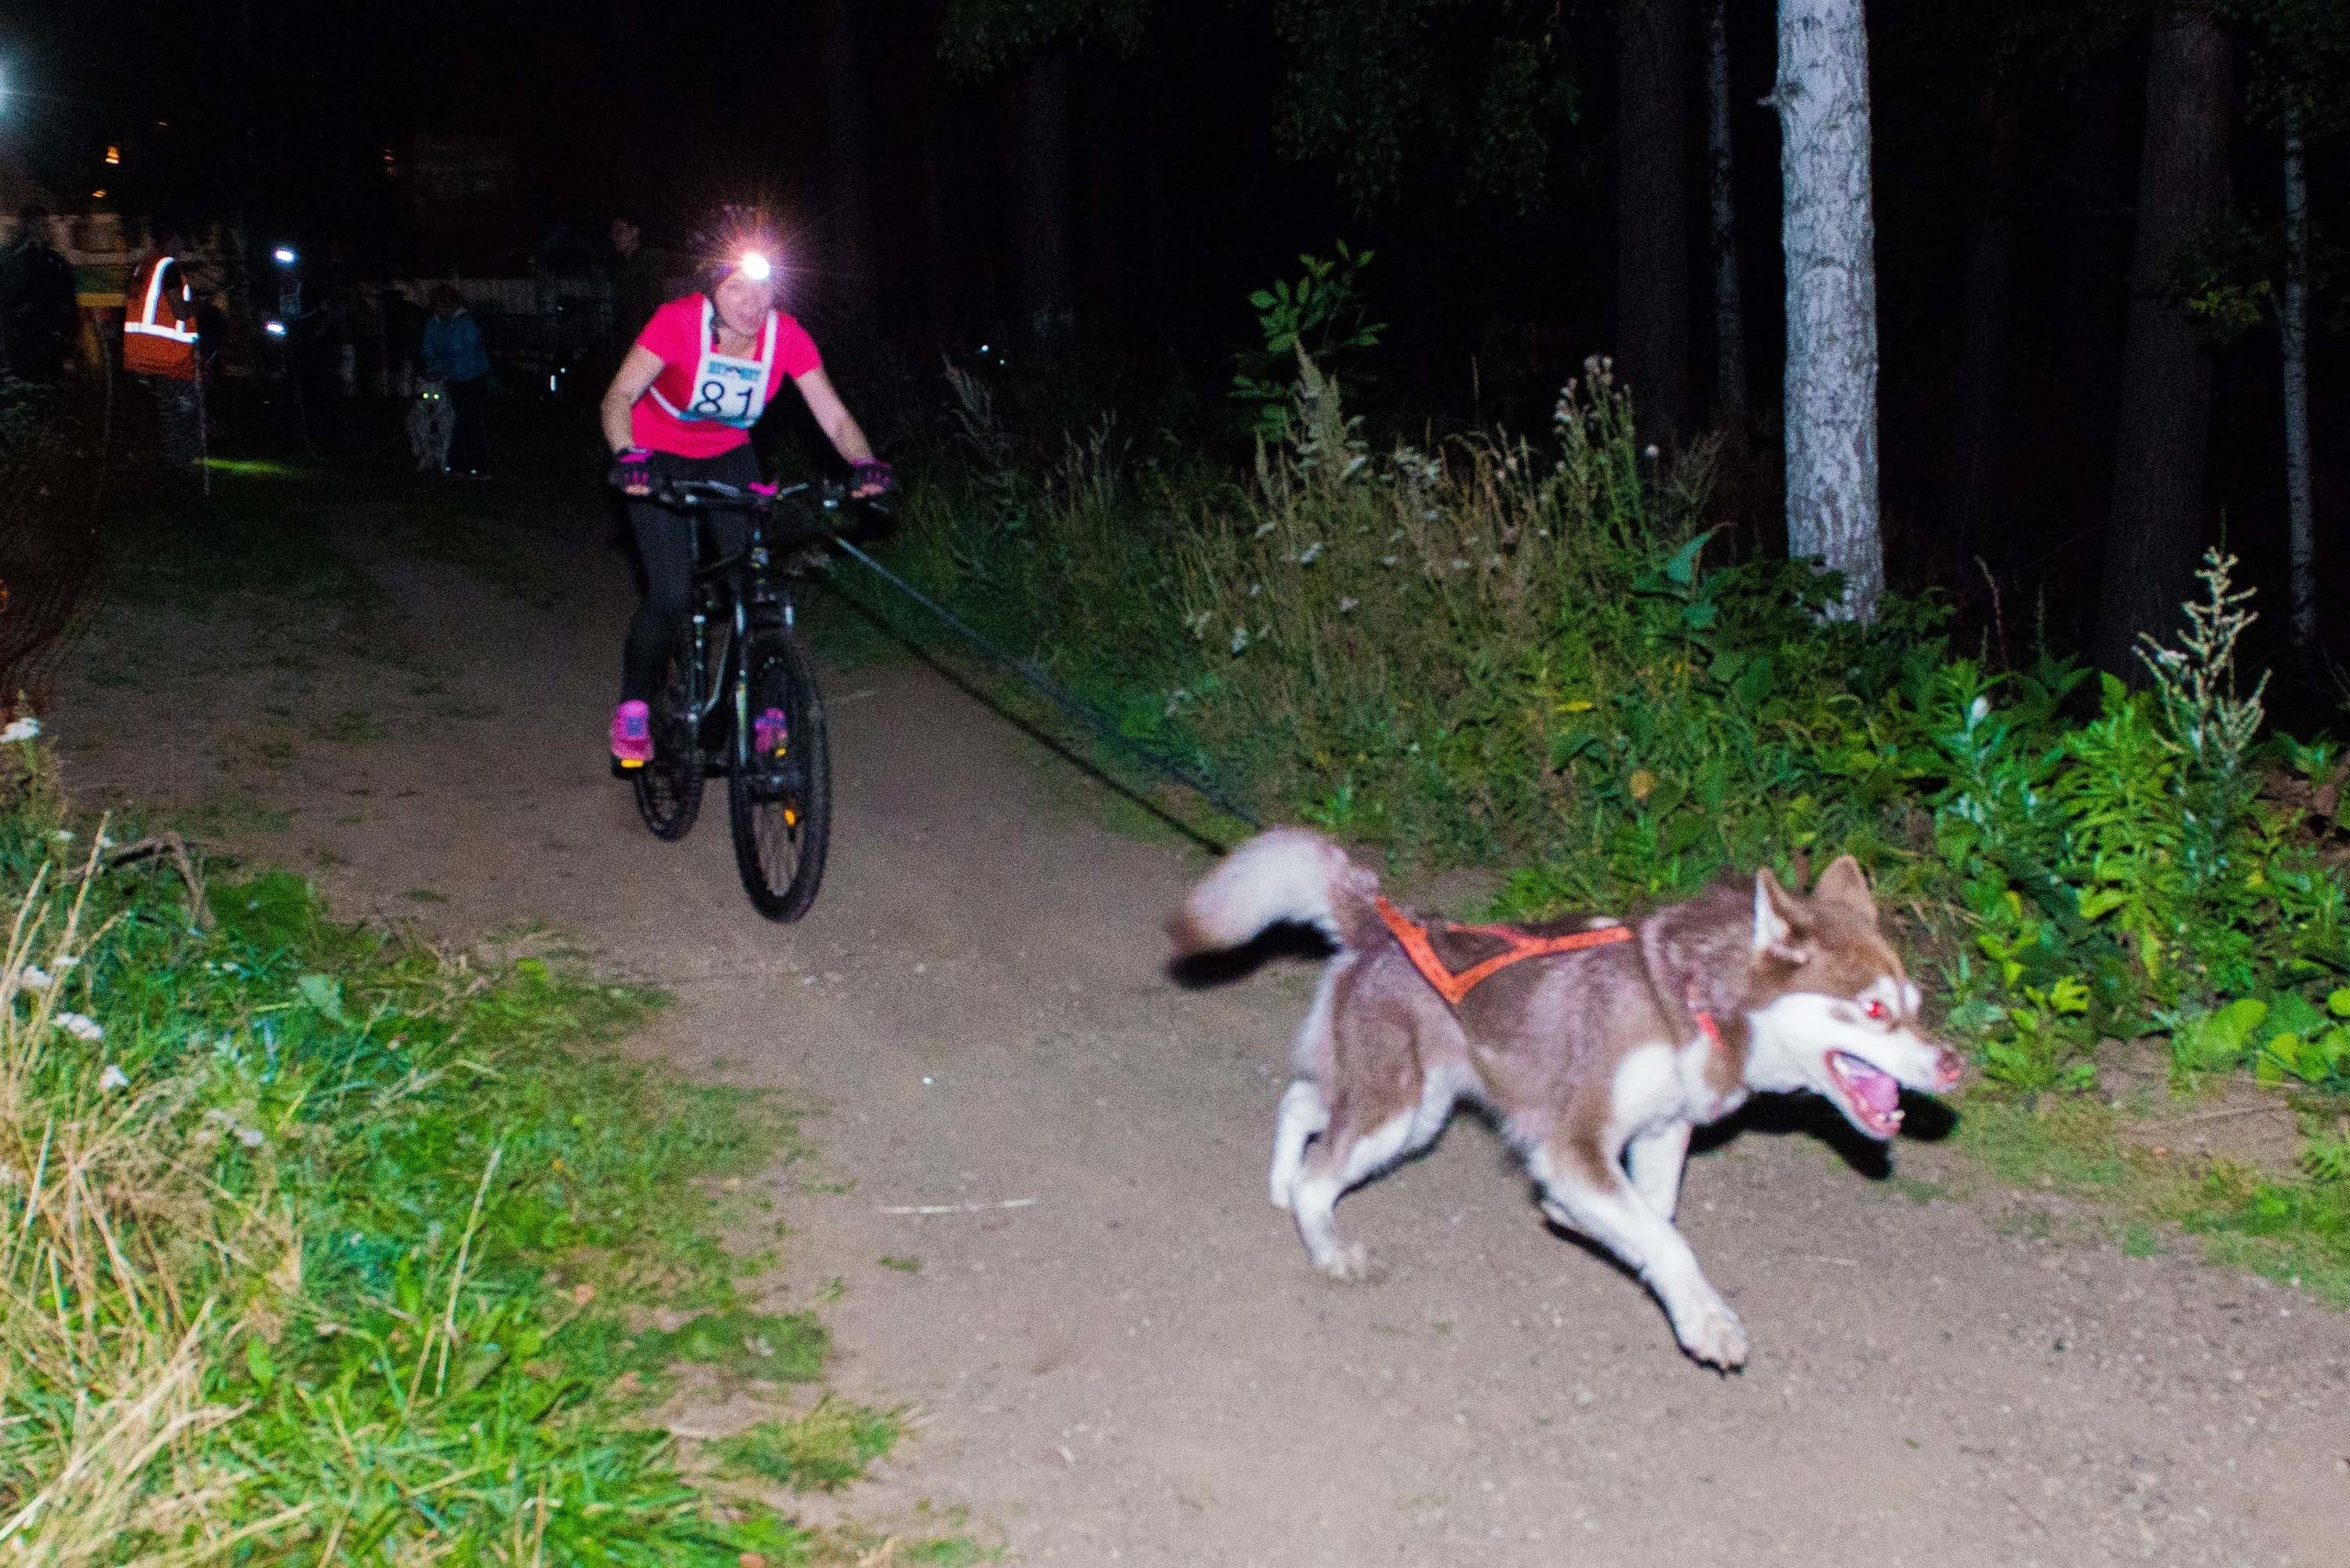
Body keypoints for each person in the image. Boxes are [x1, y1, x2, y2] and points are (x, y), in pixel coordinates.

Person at [599, 239, 891, 767]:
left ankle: (767, 711)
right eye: (736, 287)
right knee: (669, 591)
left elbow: (834, 415)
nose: (751, 303)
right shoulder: (678, 322)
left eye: (763, 290)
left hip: (729, 458)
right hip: (655, 457)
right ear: (713, 289)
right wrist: (628, 455)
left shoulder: (787, 338)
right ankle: (635, 704)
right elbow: (618, 397)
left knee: (756, 588)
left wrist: (864, 463)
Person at [120, 217, 204, 473]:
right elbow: (179, 311)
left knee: (168, 413)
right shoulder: (168, 268)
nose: (184, 245)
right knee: (184, 411)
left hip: (143, 354)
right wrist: (201, 304)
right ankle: (183, 466)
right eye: (181, 239)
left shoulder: (144, 267)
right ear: (170, 238)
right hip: (169, 356)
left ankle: (172, 465)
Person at [0, 207, 78, 382]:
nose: (49, 229)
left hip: (36, 345)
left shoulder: (50, 260)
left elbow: (68, 305)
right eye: (45, 224)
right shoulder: (49, 261)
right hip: (33, 344)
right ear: (32, 226)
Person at [420, 285, 491, 476]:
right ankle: (457, 464)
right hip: (451, 380)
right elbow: (428, 350)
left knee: (470, 420)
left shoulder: (465, 323)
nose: (443, 310)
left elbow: (464, 352)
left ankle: (477, 466)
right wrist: (434, 369)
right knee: (457, 420)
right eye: (439, 306)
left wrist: (443, 367)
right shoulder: (433, 324)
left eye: (446, 306)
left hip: (473, 377)